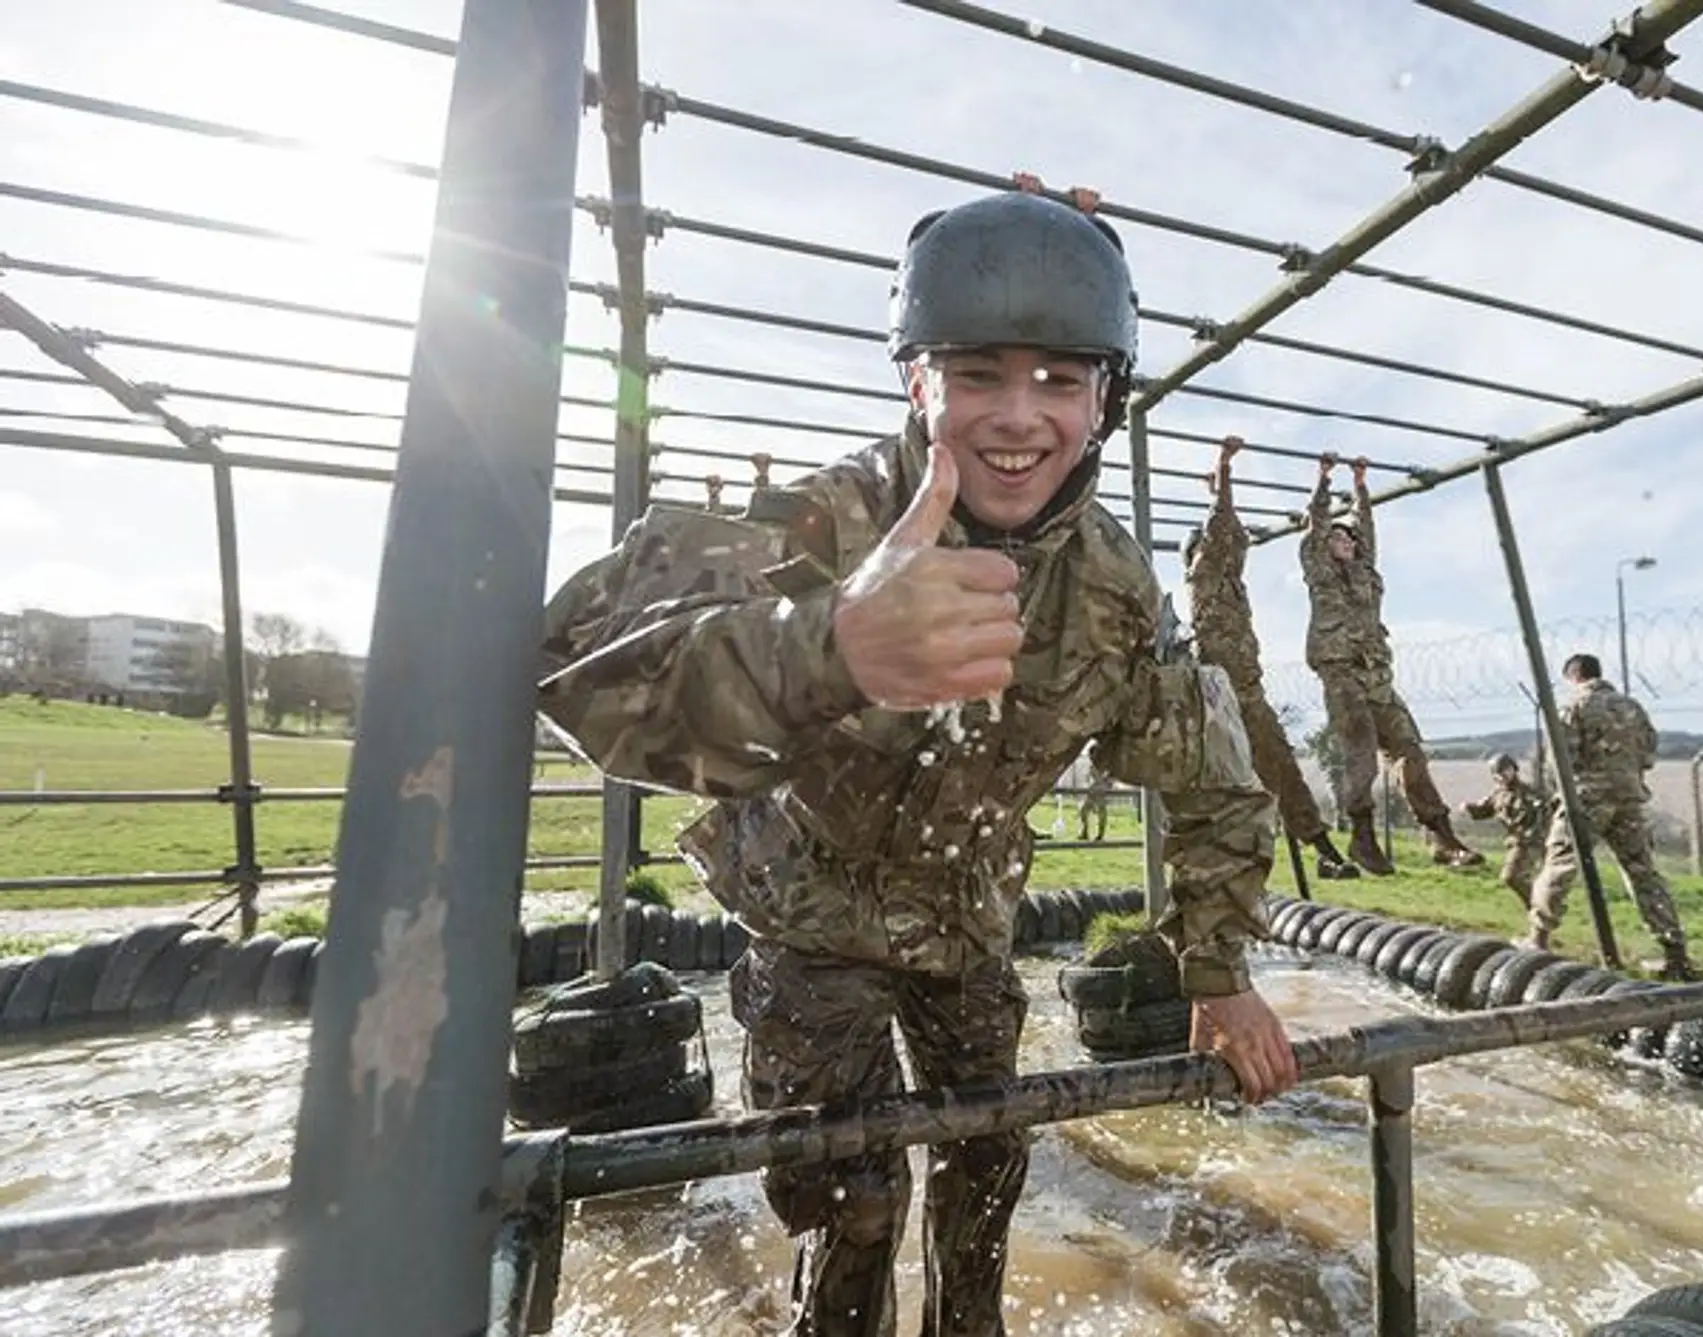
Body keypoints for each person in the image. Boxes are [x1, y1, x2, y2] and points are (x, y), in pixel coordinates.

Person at [536, 187, 1298, 1337]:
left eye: (1059, 379)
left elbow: (1214, 772)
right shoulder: (828, 519)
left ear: (1105, 401)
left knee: (989, 1159)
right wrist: (828, 644)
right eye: (977, 373)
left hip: (968, 923)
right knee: (847, 1197)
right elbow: (580, 665)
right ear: (915, 382)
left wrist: (1218, 968)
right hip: (810, 917)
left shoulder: (1110, 587)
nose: (1016, 417)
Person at [1185, 434, 1361, 880]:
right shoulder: (1202, 575)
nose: (1232, 551)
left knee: (1282, 767)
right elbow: (1221, 526)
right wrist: (1224, 469)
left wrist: (1216, 491)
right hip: (1219, 698)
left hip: (1249, 692)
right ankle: (1230, 861)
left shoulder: (1229, 580)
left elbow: (1233, 535)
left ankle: (1321, 848)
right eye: (1220, 547)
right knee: (1229, 783)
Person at [1300, 453, 1483, 874]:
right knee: (1361, 756)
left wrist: (1361, 485)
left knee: (1410, 751)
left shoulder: (1365, 572)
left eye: (1350, 540)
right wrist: (1324, 479)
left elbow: (1367, 527)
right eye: (1338, 539)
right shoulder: (1318, 570)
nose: (1346, 542)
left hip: (1378, 675)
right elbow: (1315, 523)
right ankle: (1362, 838)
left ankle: (1440, 835)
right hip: (1341, 673)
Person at [1525, 653, 1697, 980]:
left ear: (1572, 677)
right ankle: (1675, 952)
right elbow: (1648, 752)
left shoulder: (1574, 706)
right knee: (1643, 873)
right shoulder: (1631, 707)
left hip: (1586, 800)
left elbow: (1562, 759)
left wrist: (1566, 790)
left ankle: (1538, 938)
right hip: (1629, 797)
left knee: (1560, 864)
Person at [1462, 752, 1546, 909]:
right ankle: (1540, 906)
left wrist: (1539, 809)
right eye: (1498, 773)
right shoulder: (1499, 794)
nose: (1503, 775)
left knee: (1511, 877)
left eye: (1506, 770)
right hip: (1516, 842)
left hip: (1531, 842)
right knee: (1516, 878)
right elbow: (1485, 810)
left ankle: (1540, 907)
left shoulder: (1528, 793)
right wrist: (1469, 807)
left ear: (1514, 769)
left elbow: (1543, 815)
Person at [1076, 739, 1113, 841]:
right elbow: (1089, 778)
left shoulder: (1106, 766)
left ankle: (1100, 834)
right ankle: (1085, 832)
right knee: (1083, 811)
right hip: (1092, 791)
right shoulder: (1093, 766)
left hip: (1101, 792)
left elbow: (1108, 779)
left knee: (1101, 813)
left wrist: (1106, 786)